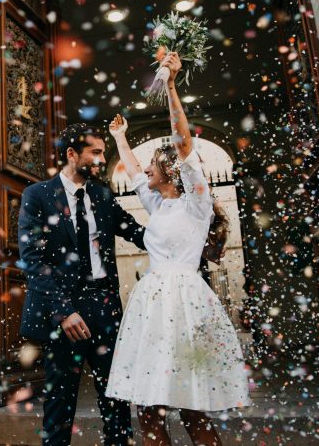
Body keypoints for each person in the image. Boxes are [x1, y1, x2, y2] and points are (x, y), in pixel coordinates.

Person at [105, 52, 249, 446]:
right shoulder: (159, 203)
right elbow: (133, 172)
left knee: (189, 403)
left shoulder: (195, 203)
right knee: (148, 405)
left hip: (185, 304)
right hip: (152, 305)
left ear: (172, 170)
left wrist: (170, 86)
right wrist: (120, 138)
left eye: (154, 164)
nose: (146, 169)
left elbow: (182, 141)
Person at [17, 121, 146, 446]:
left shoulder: (102, 195)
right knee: (60, 406)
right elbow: (32, 258)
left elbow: (136, 232)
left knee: (116, 402)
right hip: (64, 314)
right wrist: (63, 311)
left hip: (106, 309)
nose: (103, 160)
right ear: (72, 154)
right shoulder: (38, 195)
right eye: (96, 152)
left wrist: (180, 224)